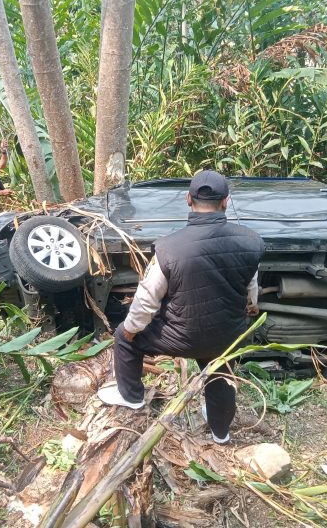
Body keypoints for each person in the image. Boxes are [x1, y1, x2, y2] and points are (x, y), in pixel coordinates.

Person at [97, 170, 264, 444]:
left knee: (125, 338)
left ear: (188, 199)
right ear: (225, 202)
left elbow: (147, 298)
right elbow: (251, 284)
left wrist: (130, 329)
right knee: (220, 370)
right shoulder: (252, 241)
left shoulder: (168, 247)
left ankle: (132, 397)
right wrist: (253, 306)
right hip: (227, 336)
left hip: (181, 337)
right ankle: (220, 431)